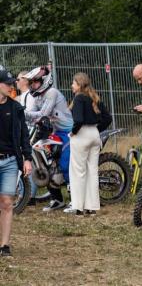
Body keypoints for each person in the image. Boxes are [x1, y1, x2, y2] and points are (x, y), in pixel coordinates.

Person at [24, 66, 73, 212]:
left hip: (68, 132)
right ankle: (57, 200)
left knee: (65, 164)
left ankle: (75, 200)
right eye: (31, 83)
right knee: (45, 165)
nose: (32, 85)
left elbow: (42, 114)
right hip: (54, 132)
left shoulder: (51, 93)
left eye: (34, 82)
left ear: (44, 80)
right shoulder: (37, 96)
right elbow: (32, 115)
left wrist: (23, 113)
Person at [68, 73, 112, 216]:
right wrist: (96, 130)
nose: (72, 86)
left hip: (81, 135)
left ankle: (79, 207)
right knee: (92, 171)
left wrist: (73, 132)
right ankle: (92, 207)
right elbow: (108, 118)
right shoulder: (94, 97)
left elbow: (79, 120)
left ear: (79, 84)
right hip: (94, 134)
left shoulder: (79, 98)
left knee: (78, 172)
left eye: (73, 83)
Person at [0, 69, 32, 257]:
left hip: (10, 161)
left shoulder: (15, 108)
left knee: (6, 203)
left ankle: (4, 246)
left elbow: (23, 136)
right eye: (8, 83)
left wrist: (27, 158)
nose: (12, 86)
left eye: (13, 83)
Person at [15, 71, 38, 205]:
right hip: (26, 132)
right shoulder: (23, 96)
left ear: (25, 80)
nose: (16, 82)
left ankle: (30, 196)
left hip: (30, 132)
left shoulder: (29, 97)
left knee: (30, 162)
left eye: (18, 79)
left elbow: (28, 116)